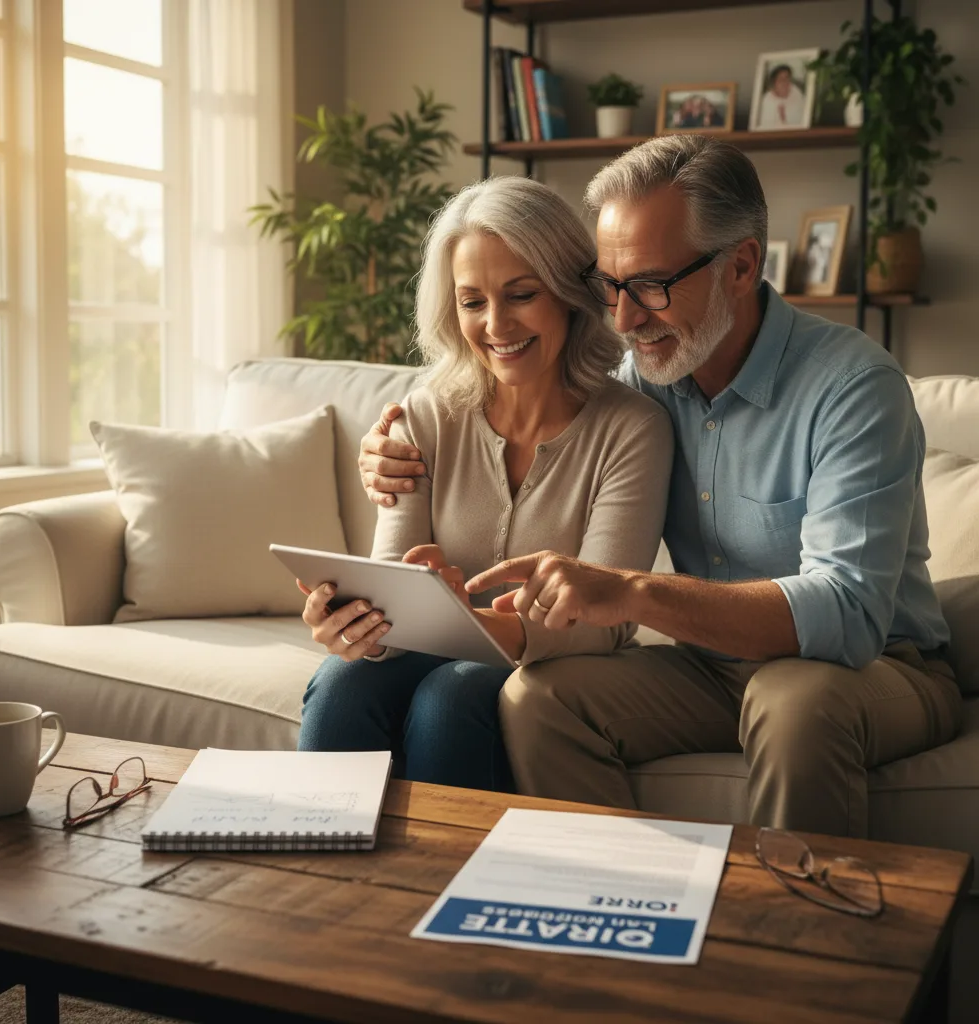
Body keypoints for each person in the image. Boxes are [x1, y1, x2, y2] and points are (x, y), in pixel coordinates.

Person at [359, 135, 962, 838]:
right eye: (610, 286)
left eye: (650, 284)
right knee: (538, 699)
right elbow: (539, 424)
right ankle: (625, 913)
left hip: (880, 667)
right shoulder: (643, 375)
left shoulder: (853, 388)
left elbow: (849, 615)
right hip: (708, 669)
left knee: (791, 700)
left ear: (741, 265)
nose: (622, 318)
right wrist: (389, 451)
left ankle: (796, 940)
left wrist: (633, 591)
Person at [298, 175, 673, 793]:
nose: (496, 325)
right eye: (472, 302)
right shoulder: (424, 415)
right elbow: (392, 588)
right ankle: (322, 878)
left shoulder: (633, 428)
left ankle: (451, 883)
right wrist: (355, 625)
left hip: (554, 660)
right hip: (442, 645)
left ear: (569, 293)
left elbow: (607, 620)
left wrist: (460, 620)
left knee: (453, 694)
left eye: (521, 294)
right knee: (343, 683)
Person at [757, 64, 806, 129]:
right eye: (781, 79)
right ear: (774, 83)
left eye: (787, 78)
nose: (785, 82)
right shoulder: (766, 101)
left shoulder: (796, 93)